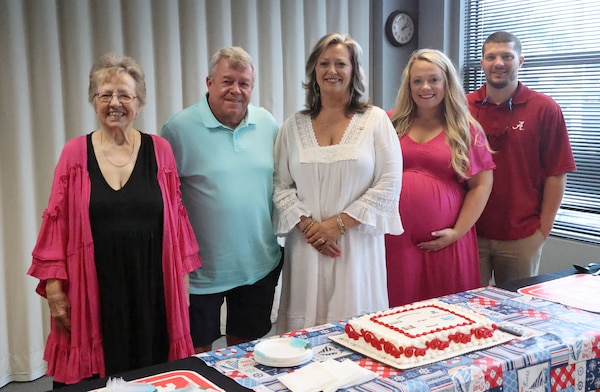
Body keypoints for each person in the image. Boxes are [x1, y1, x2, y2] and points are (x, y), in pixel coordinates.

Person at [27, 53, 201, 387]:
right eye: (105, 94)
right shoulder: (74, 153)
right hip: (92, 289)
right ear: (93, 100)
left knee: (150, 375)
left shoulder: (160, 151)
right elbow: (56, 222)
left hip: (151, 288)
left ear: (140, 101)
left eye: (124, 94)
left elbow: (176, 226)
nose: (115, 103)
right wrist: (53, 288)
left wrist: (183, 291)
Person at [273, 32, 403, 333]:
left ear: (354, 70)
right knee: (303, 340)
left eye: (341, 64)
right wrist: (310, 227)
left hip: (355, 247)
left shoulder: (375, 120)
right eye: (324, 63)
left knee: (357, 337)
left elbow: (389, 182)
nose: (332, 71)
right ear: (313, 71)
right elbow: (280, 184)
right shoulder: (293, 125)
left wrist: (338, 225)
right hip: (307, 247)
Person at [161, 47, 282, 353]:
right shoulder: (177, 130)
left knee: (247, 355)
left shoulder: (267, 123)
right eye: (227, 81)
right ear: (209, 82)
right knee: (197, 357)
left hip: (257, 264)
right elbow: (166, 201)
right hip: (201, 272)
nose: (236, 90)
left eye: (244, 83)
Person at [384, 49, 495, 307]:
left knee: (444, 317)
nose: (425, 87)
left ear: (447, 82)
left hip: (446, 243)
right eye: (417, 81)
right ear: (408, 85)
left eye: (434, 80)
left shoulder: (466, 129)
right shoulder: (389, 123)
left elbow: (481, 185)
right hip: (393, 241)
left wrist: (457, 232)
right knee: (393, 314)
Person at [466, 31, 576, 286]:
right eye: (491, 57)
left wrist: (542, 231)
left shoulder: (545, 108)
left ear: (521, 61)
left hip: (522, 237)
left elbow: (557, 173)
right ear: (482, 63)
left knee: (516, 315)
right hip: (470, 234)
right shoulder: (463, 107)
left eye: (507, 56)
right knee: (467, 311)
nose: (499, 63)